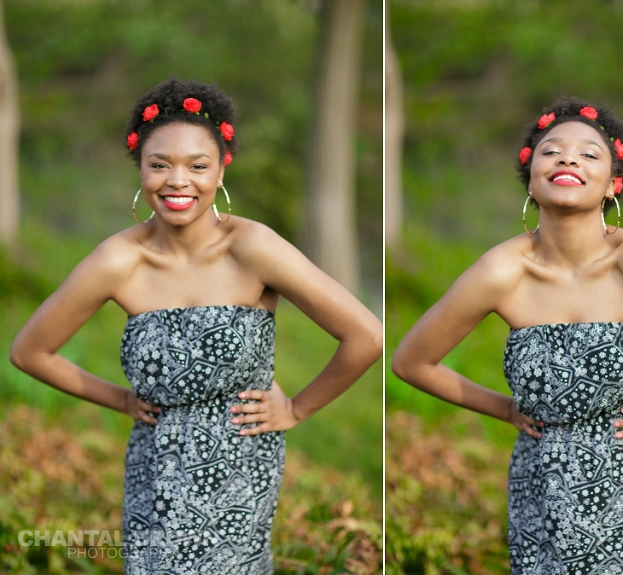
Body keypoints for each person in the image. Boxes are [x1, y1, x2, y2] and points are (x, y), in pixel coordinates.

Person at [10, 77, 382, 574]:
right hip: (154, 468)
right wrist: (121, 399)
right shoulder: (118, 260)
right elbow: (30, 351)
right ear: (140, 168)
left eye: (197, 166)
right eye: (159, 164)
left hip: (239, 471)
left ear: (221, 168)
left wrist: (296, 408)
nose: (177, 181)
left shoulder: (253, 248)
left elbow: (366, 335)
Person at [391, 97, 623, 574]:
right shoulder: (500, 271)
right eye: (552, 151)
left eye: (590, 153)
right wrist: (505, 407)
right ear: (531, 177)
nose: (568, 157)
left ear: (613, 185)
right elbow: (411, 362)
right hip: (537, 481)